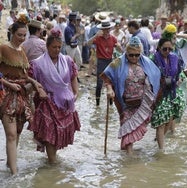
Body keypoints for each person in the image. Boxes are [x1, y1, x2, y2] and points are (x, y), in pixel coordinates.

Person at [28, 28, 81, 164]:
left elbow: (73, 77)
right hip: (47, 104)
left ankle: (51, 163)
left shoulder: (68, 61)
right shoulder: (37, 64)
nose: (57, 50)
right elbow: (30, 82)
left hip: (64, 104)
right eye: (53, 47)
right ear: (47, 46)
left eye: (59, 47)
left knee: (57, 136)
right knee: (49, 136)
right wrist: (38, 90)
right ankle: (53, 165)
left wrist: (75, 94)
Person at [100, 36, 161, 155]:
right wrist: (109, 89)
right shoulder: (118, 63)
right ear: (126, 53)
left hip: (142, 104)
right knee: (127, 130)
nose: (134, 57)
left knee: (133, 131)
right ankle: (129, 159)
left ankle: (128, 158)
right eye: (131, 55)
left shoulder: (147, 63)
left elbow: (156, 77)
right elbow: (107, 76)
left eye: (137, 55)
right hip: (126, 104)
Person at [0, 14, 43, 175]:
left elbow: (23, 75)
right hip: (6, 95)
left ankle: (10, 165)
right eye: (19, 35)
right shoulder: (3, 48)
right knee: (11, 134)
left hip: (22, 95)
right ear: (12, 33)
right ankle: (14, 173)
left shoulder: (22, 50)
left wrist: (34, 82)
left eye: (25, 35)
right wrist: (8, 83)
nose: (22, 38)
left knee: (17, 133)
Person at [151, 38, 186, 150]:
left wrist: (180, 79)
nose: (167, 51)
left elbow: (180, 72)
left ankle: (159, 141)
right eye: (164, 49)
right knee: (161, 122)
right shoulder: (153, 59)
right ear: (159, 48)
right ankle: (161, 150)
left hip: (172, 93)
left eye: (169, 49)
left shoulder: (175, 58)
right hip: (159, 94)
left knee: (168, 121)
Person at [87, 19, 122, 106]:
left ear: (110, 29)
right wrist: (95, 35)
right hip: (101, 61)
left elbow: (120, 50)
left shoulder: (113, 38)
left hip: (110, 61)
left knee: (111, 82)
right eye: (105, 29)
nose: (106, 31)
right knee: (99, 83)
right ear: (102, 30)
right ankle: (97, 104)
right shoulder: (98, 38)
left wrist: (118, 47)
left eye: (108, 29)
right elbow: (87, 43)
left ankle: (110, 103)